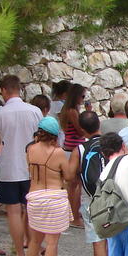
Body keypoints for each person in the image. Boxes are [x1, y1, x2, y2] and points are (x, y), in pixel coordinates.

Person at [0, 74, 43, 256]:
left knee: (13, 211)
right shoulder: (34, 111)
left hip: (6, 168)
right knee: (30, 210)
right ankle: (35, 250)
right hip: (30, 167)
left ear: (4, 91)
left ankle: (20, 253)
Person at [21, 117, 74, 256]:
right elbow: (67, 176)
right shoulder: (58, 152)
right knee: (52, 243)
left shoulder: (30, 149)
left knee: (35, 241)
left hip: (35, 197)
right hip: (54, 198)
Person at [71, 111, 110, 256]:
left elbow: (71, 175)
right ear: (98, 125)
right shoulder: (112, 144)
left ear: (82, 129)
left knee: (98, 242)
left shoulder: (80, 149)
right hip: (113, 197)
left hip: (91, 199)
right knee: (113, 240)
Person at [58, 83, 87, 228]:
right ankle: (74, 216)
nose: (83, 99)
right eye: (82, 96)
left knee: (72, 184)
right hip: (73, 150)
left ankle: (72, 213)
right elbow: (81, 130)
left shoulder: (69, 110)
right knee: (76, 184)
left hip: (70, 149)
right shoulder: (72, 111)